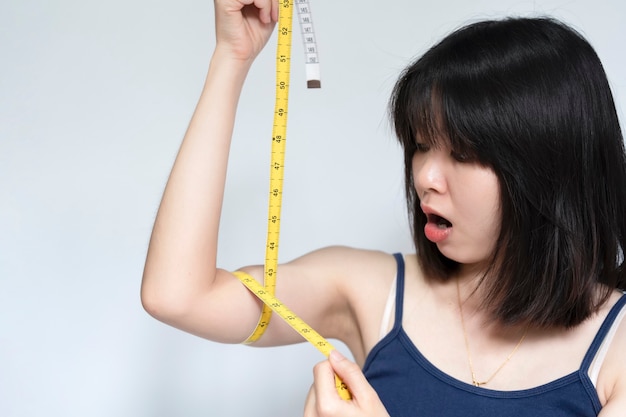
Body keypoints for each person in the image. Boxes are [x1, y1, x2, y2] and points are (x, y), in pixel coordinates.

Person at [140, 0, 626, 415]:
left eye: (461, 154)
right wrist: (232, 57)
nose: (424, 178)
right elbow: (177, 294)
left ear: (549, 169)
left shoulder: (617, 347)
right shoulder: (371, 293)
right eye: (419, 146)